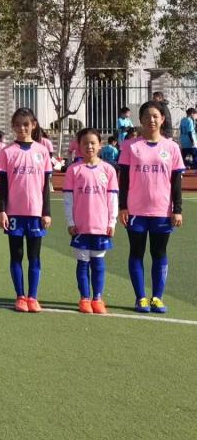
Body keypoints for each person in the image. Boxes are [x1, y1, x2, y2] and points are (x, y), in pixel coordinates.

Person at [118, 101, 184, 313]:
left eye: (155, 116)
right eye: (147, 116)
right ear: (140, 120)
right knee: (136, 252)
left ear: (162, 119)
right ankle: (141, 298)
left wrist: (177, 209)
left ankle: (157, 297)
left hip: (162, 211)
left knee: (159, 252)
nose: (151, 120)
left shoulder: (172, 147)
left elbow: (176, 182)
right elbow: (124, 180)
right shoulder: (130, 146)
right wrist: (122, 207)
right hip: (135, 210)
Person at [0, 107, 52, 313]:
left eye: (26, 124)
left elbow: (45, 186)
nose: (22, 128)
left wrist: (46, 212)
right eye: (18, 125)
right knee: (17, 255)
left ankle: (33, 296)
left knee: (34, 256)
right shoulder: (7, 152)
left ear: (33, 125)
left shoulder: (42, 151)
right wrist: (2, 210)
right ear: (13, 126)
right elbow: (3, 185)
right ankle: (20, 296)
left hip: (35, 213)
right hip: (14, 213)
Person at [63, 128, 118, 315]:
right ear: (79, 146)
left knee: (99, 263)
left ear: (100, 145)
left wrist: (112, 222)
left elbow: (112, 199)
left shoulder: (108, 170)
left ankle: (98, 298)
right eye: (85, 143)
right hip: (81, 226)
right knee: (83, 263)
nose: (89, 146)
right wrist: (70, 221)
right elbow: (68, 199)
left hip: (101, 226)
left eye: (93, 143)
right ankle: (84, 298)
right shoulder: (74, 170)